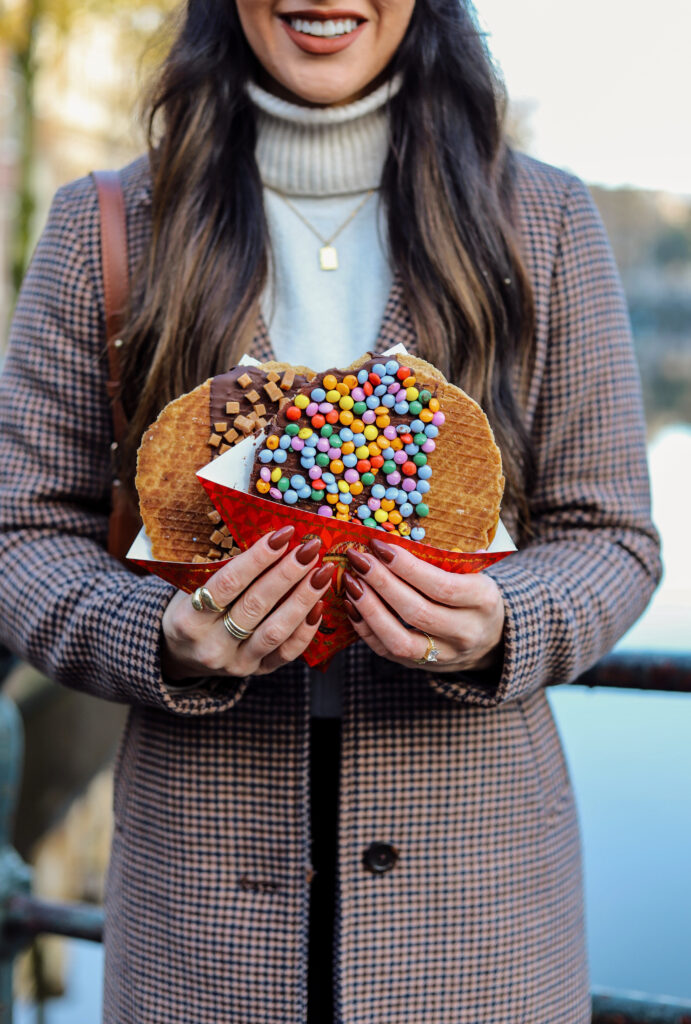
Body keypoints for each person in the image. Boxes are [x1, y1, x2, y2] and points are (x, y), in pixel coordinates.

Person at [0, 0, 661, 1021]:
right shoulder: (107, 231)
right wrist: (161, 637)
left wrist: (504, 623)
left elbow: (610, 533)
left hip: (478, 922)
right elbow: (21, 535)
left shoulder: (547, 224)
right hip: (198, 930)